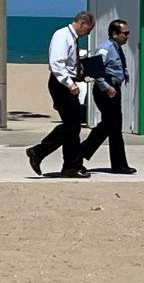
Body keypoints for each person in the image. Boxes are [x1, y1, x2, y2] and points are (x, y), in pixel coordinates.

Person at [26, 11, 95, 178]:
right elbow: (57, 64)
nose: (88, 33)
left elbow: (70, 63)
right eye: (89, 29)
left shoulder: (72, 38)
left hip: (68, 82)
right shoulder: (62, 36)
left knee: (73, 126)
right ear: (81, 23)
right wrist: (70, 84)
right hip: (60, 84)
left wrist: (80, 77)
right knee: (72, 126)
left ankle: (71, 165)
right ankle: (41, 152)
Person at [80, 19, 137, 173]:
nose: (127, 36)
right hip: (106, 91)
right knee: (113, 126)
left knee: (111, 126)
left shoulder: (116, 48)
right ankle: (117, 164)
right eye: (125, 33)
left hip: (114, 89)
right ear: (114, 33)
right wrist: (107, 87)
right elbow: (95, 69)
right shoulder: (105, 49)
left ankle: (82, 153)